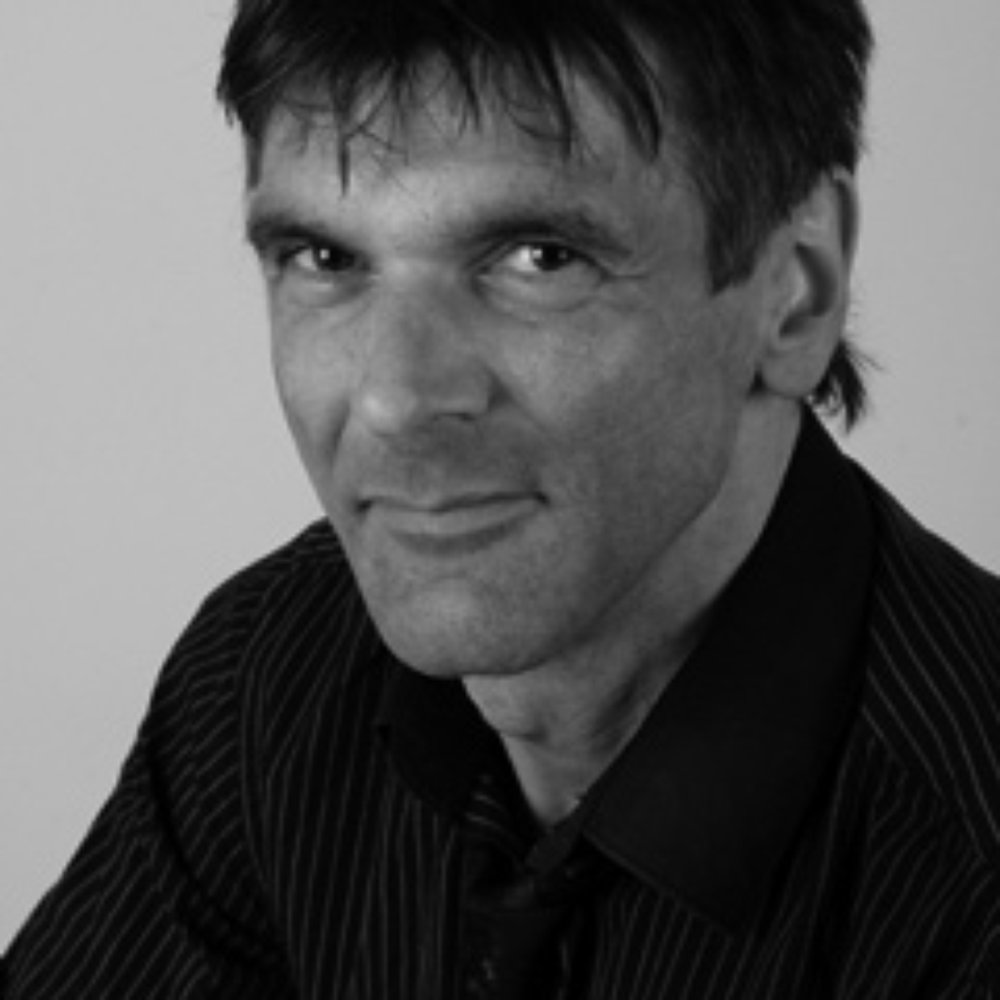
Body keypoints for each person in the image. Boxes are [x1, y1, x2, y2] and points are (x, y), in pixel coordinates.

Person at [3, 0, 999, 996]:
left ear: (796, 289)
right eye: (326, 260)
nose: (395, 399)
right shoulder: (268, 676)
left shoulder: (970, 870)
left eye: (540, 258)